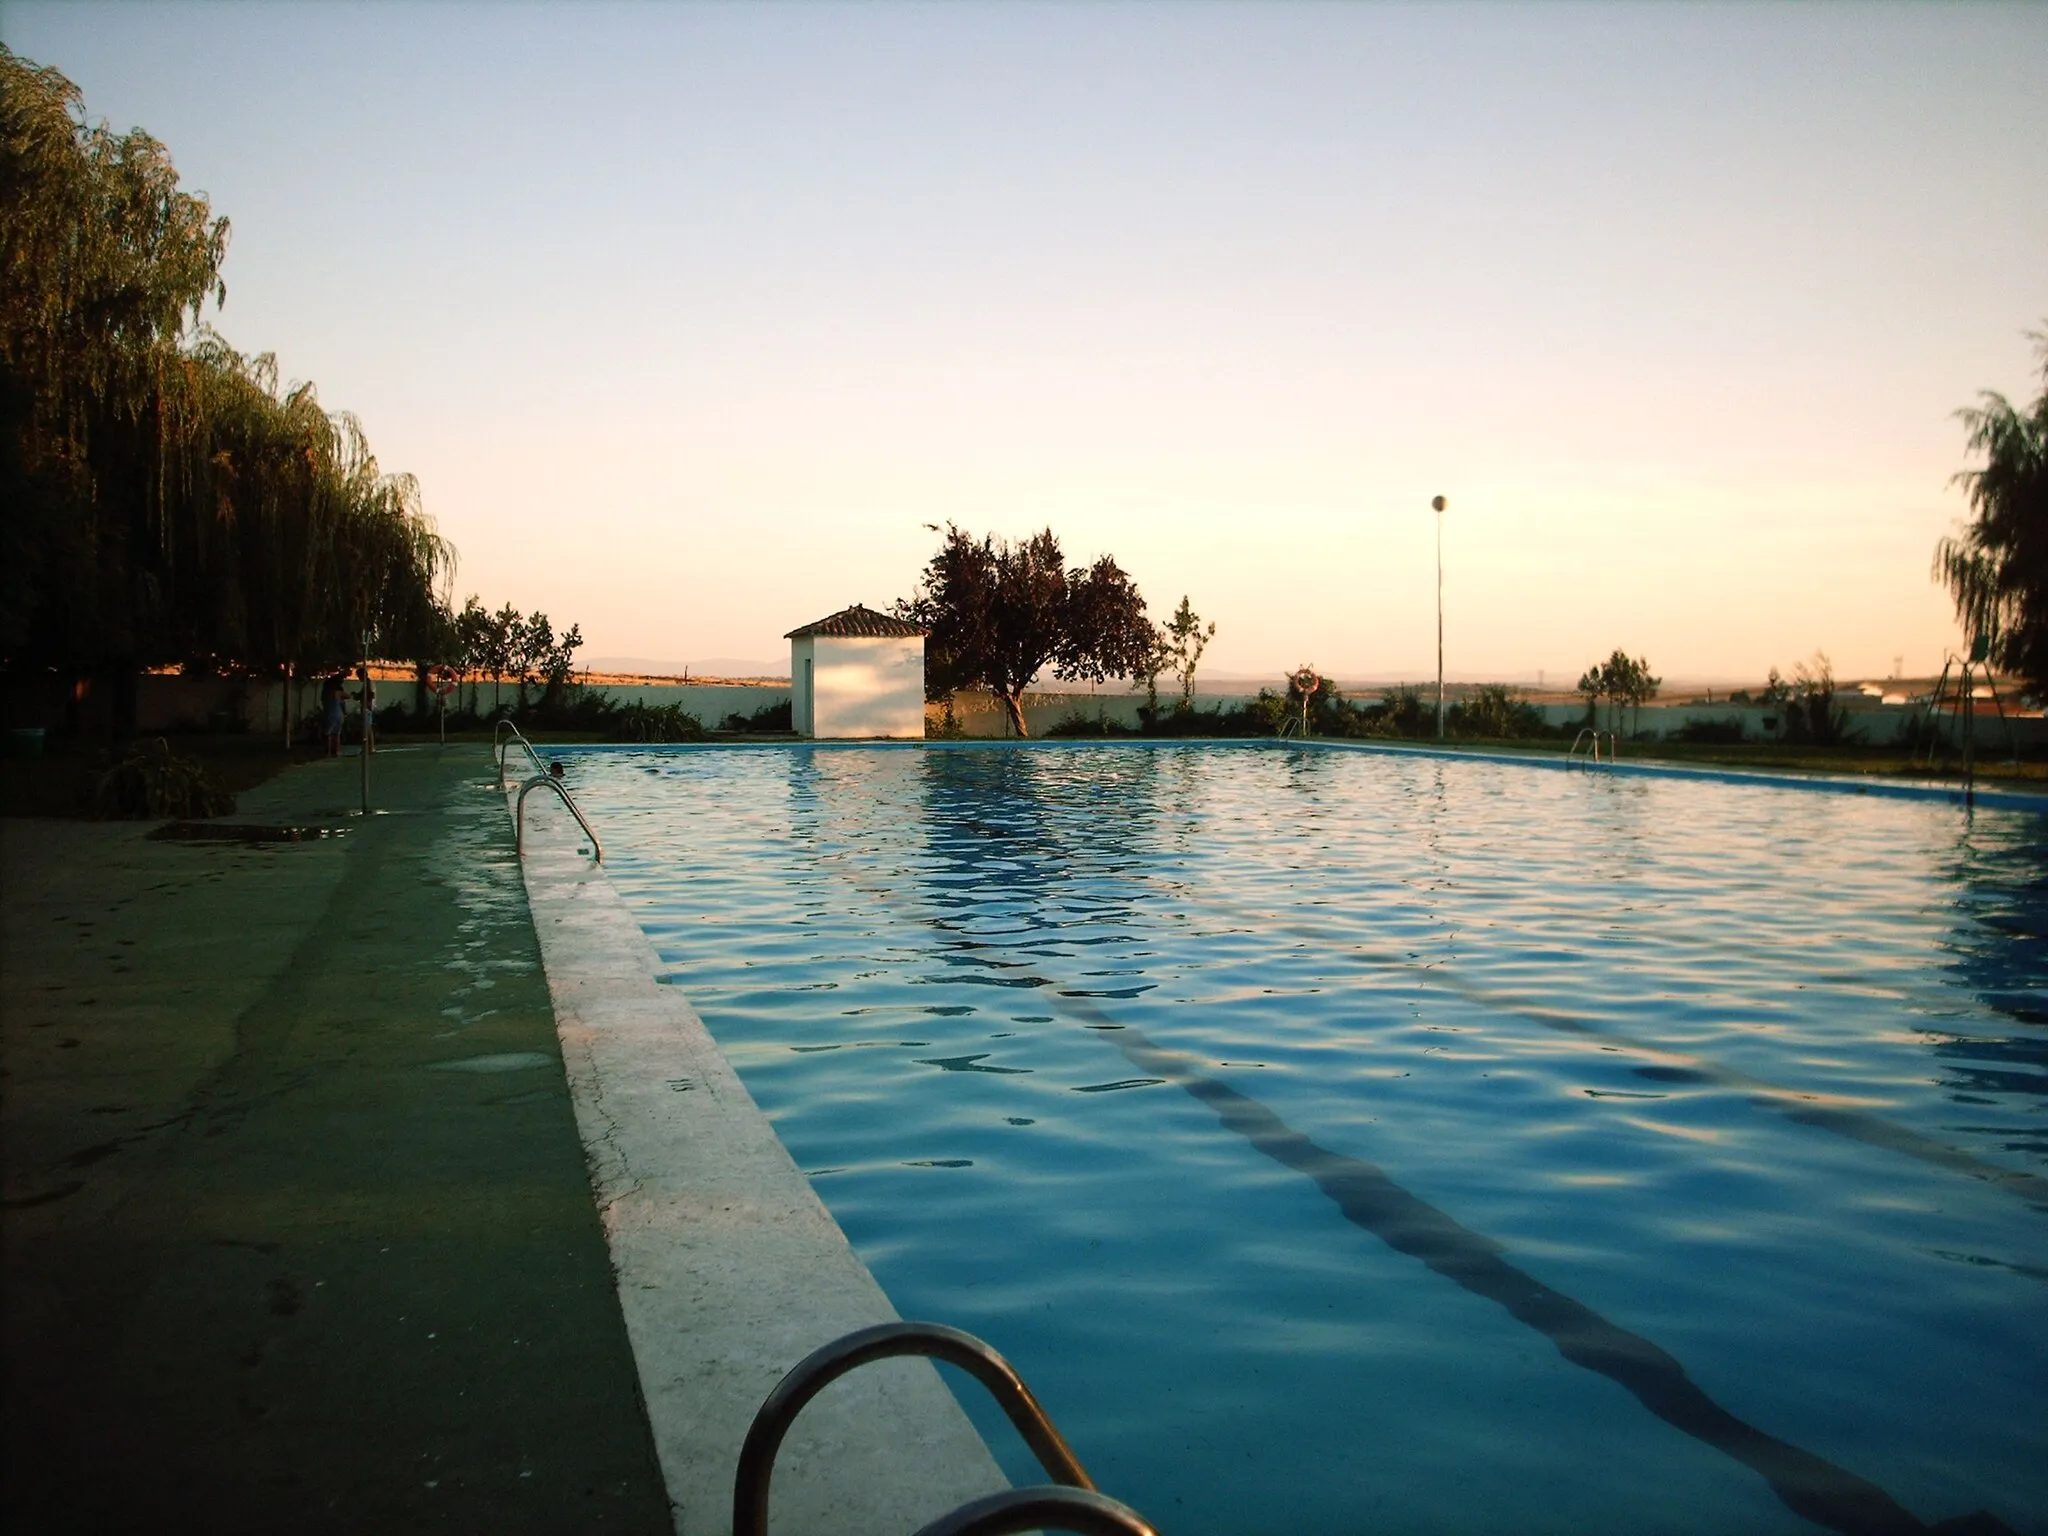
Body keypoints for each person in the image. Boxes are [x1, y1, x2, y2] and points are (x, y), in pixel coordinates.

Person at [321, 671, 347, 757]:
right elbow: (346, 698)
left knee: (328, 733)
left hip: (330, 714)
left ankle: (328, 751)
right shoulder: (339, 693)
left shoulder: (326, 694)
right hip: (339, 714)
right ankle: (337, 751)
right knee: (337, 733)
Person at [355, 663, 377, 754]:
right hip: (367, 707)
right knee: (368, 728)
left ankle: (369, 748)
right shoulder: (367, 683)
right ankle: (370, 747)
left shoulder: (368, 683)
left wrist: (365, 703)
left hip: (367, 708)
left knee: (366, 729)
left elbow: (370, 695)